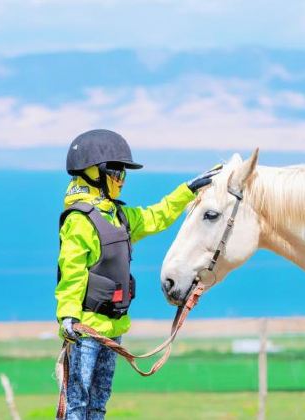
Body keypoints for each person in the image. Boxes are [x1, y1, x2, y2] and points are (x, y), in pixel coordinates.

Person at [55, 129, 220, 420]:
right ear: (95, 172)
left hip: (113, 329)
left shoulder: (119, 217)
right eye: (116, 172)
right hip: (86, 330)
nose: (121, 179)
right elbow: (71, 272)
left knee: (99, 403)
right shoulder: (79, 221)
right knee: (77, 404)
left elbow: (157, 216)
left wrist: (188, 190)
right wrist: (68, 316)